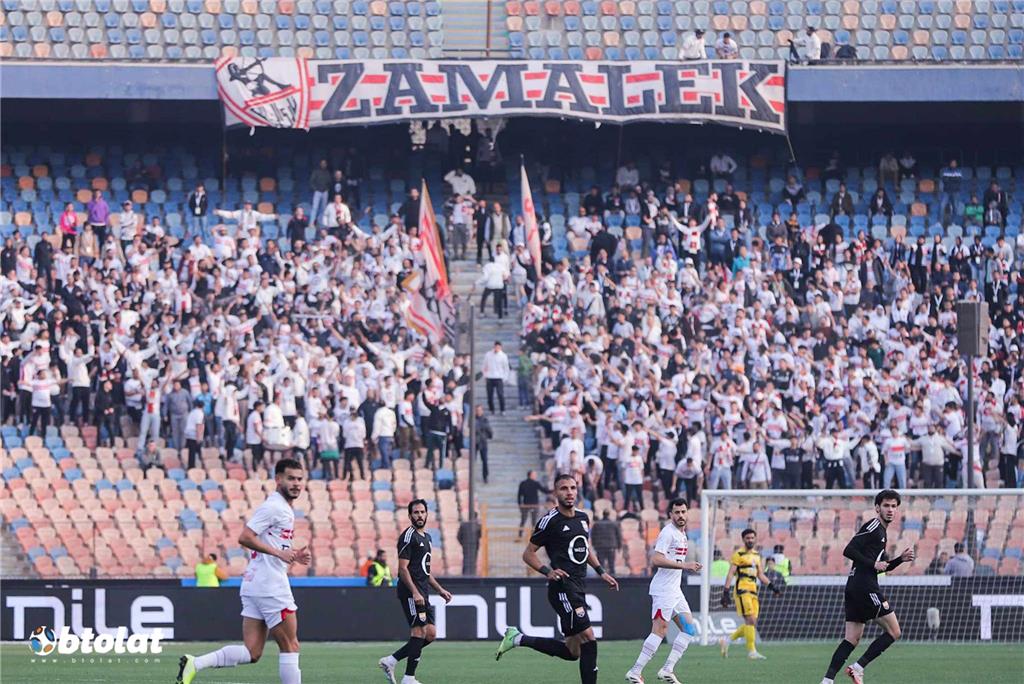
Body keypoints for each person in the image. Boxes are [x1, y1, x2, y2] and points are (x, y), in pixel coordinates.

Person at [177, 459, 310, 684]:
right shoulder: (275, 507)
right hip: (270, 586)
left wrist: (291, 554)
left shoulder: (282, 508)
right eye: (291, 478)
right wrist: (279, 554)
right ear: (278, 479)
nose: (296, 483)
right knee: (290, 645)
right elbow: (245, 537)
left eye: (299, 479)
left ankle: (195, 663)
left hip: (254, 583)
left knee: (252, 652)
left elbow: (271, 543)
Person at [495, 474, 619, 684]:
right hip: (562, 589)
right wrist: (548, 571)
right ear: (555, 492)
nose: (569, 492)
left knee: (572, 652)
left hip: (578, 586)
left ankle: (517, 638)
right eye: (564, 488)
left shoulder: (583, 518)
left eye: (572, 488)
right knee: (589, 638)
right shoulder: (549, 521)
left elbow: (584, 548)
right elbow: (528, 554)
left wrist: (601, 571)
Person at [820, 490, 915, 684]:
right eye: (886, 505)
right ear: (877, 508)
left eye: (894, 506)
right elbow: (849, 550)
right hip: (865, 587)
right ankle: (857, 668)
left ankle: (827, 681)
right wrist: (873, 564)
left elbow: (879, 567)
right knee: (894, 631)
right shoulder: (874, 526)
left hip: (855, 585)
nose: (890, 510)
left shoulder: (882, 533)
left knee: (852, 638)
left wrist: (900, 559)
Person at [626, 499, 701, 684]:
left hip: (675, 590)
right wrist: (685, 565)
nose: (681, 515)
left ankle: (667, 669)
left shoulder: (682, 534)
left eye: (683, 512)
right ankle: (635, 672)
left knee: (689, 629)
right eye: (677, 512)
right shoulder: (668, 533)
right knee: (660, 630)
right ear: (670, 515)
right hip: (664, 590)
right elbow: (656, 560)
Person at [378, 499, 453, 684]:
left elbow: (425, 571)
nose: (419, 515)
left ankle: (391, 660)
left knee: (430, 634)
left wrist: (440, 589)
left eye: (422, 512)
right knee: (418, 631)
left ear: (427, 514)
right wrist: (414, 592)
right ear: (410, 515)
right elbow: (403, 569)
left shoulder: (427, 538)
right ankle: (409, 678)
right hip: (410, 592)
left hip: (423, 592)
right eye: (416, 512)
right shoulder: (408, 536)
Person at [720, 528, 781, 660]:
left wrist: (773, 587)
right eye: (748, 538)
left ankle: (727, 640)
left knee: (751, 623)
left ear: (755, 539)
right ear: (743, 539)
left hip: (753, 591)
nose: (750, 540)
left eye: (752, 538)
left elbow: (760, 575)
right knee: (751, 620)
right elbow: (731, 573)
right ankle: (752, 652)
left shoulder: (757, 555)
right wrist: (725, 592)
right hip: (742, 591)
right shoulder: (738, 554)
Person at [516, 470, 550, 538]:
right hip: (534, 505)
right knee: (533, 521)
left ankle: (520, 535)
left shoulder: (523, 483)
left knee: (523, 520)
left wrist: (520, 504)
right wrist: (552, 491)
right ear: (531, 475)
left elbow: (519, 495)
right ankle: (533, 535)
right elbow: (544, 491)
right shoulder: (535, 483)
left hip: (525, 505)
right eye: (534, 474)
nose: (536, 476)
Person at [482, 341, 511, 414]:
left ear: (500, 347)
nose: (497, 348)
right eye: (496, 347)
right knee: (489, 395)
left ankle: (502, 410)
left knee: (500, 394)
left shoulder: (503, 356)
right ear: (494, 347)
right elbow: (484, 365)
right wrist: (485, 375)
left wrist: (505, 378)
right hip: (490, 377)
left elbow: (506, 368)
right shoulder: (488, 354)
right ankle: (491, 409)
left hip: (499, 377)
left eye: (498, 347)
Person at [591, 509, 621, 576]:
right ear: (608, 514)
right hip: (611, 547)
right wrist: (619, 546)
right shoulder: (614, 523)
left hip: (600, 546)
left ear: (603, 514)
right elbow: (618, 536)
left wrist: (594, 545)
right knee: (611, 564)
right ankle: (613, 577)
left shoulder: (597, 524)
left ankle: (600, 578)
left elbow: (593, 536)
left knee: (601, 565)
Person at [184, 399, 206, 470]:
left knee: (191, 452)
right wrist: (198, 437)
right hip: (194, 434)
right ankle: (193, 467)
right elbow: (198, 425)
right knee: (194, 452)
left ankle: (191, 466)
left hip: (188, 434)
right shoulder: (200, 413)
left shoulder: (192, 412)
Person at [473, 405, 493, 483]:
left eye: (479, 410)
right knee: (473, 460)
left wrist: (486, 436)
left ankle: (485, 476)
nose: (478, 412)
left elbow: (489, 431)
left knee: (484, 460)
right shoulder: (473, 419)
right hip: (474, 442)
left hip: (482, 441)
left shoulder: (485, 420)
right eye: (477, 410)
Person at [309, 159, 330, 229]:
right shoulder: (316, 172)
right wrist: (315, 188)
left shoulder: (327, 172)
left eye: (325, 163)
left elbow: (329, 182)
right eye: (322, 163)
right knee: (314, 208)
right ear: (320, 164)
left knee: (323, 208)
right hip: (317, 192)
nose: (323, 165)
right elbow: (311, 181)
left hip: (325, 192)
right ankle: (311, 223)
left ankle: (322, 223)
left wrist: (327, 188)